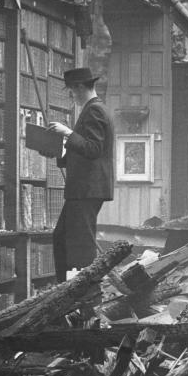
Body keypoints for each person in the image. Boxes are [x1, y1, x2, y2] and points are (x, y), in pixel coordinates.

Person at [47, 67, 115, 282]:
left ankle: (84, 297)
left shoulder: (95, 110)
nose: (71, 96)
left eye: (71, 91)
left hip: (88, 188)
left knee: (81, 246)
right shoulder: (94, 109)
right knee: (62, 238)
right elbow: (85, 150)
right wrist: (58, 150)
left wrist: (67, 133)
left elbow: (94, 149)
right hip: (83, 188)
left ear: (79, 87)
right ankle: (65, 289)